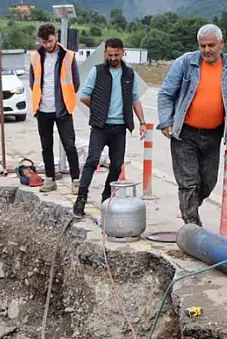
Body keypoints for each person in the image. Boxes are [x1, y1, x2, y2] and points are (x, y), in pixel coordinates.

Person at [156, 24, 227, 227]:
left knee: (207, 182)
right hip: (185, 133)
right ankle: (193, 227)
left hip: (214, 134)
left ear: (221, 44)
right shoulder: (186, 63)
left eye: (211, 45)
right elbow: (165, 93)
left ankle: (189, 209)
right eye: (202, 46)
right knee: (188, 182)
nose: (206, 50)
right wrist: (166, 121)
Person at [75, 38, 146, 218]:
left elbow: (135, 99)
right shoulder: (97, 71)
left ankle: (107, 198)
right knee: (92, 161)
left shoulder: (129, 74)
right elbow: (84, 96)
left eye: (116, 55)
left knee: (116, 166)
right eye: (109, 55)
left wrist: (142, 122)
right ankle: (81, 198)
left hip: (120, 128)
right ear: (105, 53)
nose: (113, 58)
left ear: (123, 52)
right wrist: (99, 109)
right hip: (100, 127)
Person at [29, 23, 81, 193]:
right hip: (43, 109)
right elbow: (33, 82)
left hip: (63, 109)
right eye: (44, 43)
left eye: (50, 41)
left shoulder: (68, 56)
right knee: (46, 146)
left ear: (56, 37)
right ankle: (50, 179)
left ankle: (76, 180)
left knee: (69, 145)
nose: (48, 45)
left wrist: (66, 99)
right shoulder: (35, 56)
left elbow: (75, 82)